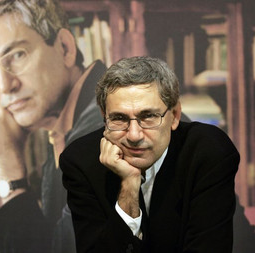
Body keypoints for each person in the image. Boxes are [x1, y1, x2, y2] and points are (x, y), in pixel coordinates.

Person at [0, 0, 106, 252]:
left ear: (65, 48)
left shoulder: (111, 131)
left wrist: (9, 174)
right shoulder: (67, 133)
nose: (6, 85)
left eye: (17, 55)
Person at [60, 56, 240, 252]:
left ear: (175, 116)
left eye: (148, 117)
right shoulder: (81, 162)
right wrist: (128, 187)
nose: (134, 135)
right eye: (119, 118)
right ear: (105, 118)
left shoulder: (207, 152)